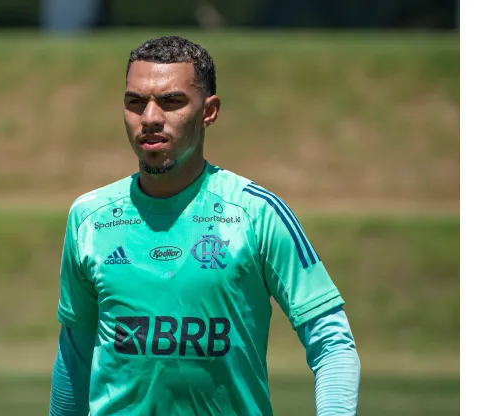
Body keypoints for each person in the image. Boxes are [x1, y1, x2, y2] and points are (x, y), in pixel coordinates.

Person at [49, 35, 360, 416]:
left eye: (171, 102)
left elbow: (332, 343)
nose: (149, 118)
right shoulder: (90, 219)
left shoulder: (255, 214)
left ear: (209, 111)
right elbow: (75, 356)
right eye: (135, 103)